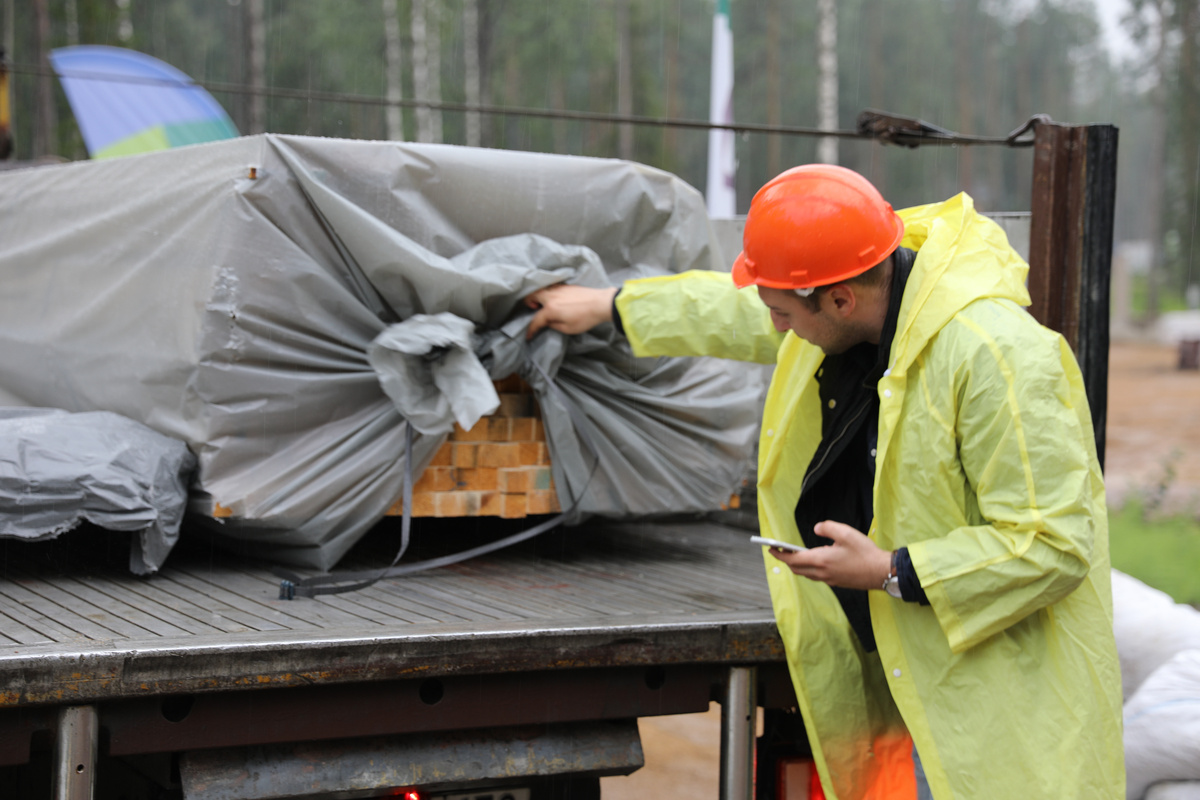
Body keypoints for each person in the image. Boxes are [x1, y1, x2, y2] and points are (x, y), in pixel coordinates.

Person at [525, 164, 1124, 800]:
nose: (776, 329)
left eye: (784, 313)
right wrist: (610, 306)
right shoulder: (857, 306)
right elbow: (741, 312)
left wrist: (892, 569)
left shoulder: (998, 357)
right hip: (908, 670)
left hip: (994, 716)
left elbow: (1051, 543)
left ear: (839, 298)